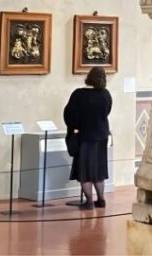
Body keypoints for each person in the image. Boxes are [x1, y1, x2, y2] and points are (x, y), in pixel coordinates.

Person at [63, 67, 113, 210]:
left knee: (84, 171)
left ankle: (89, 201)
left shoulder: (79, 94)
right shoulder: (106, 94)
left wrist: (74, 126)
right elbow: (107, 111)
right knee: (99, 171)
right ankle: (101, 200)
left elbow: (69, 115)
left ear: (89, 77)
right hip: (101, 136)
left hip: (85, 137)